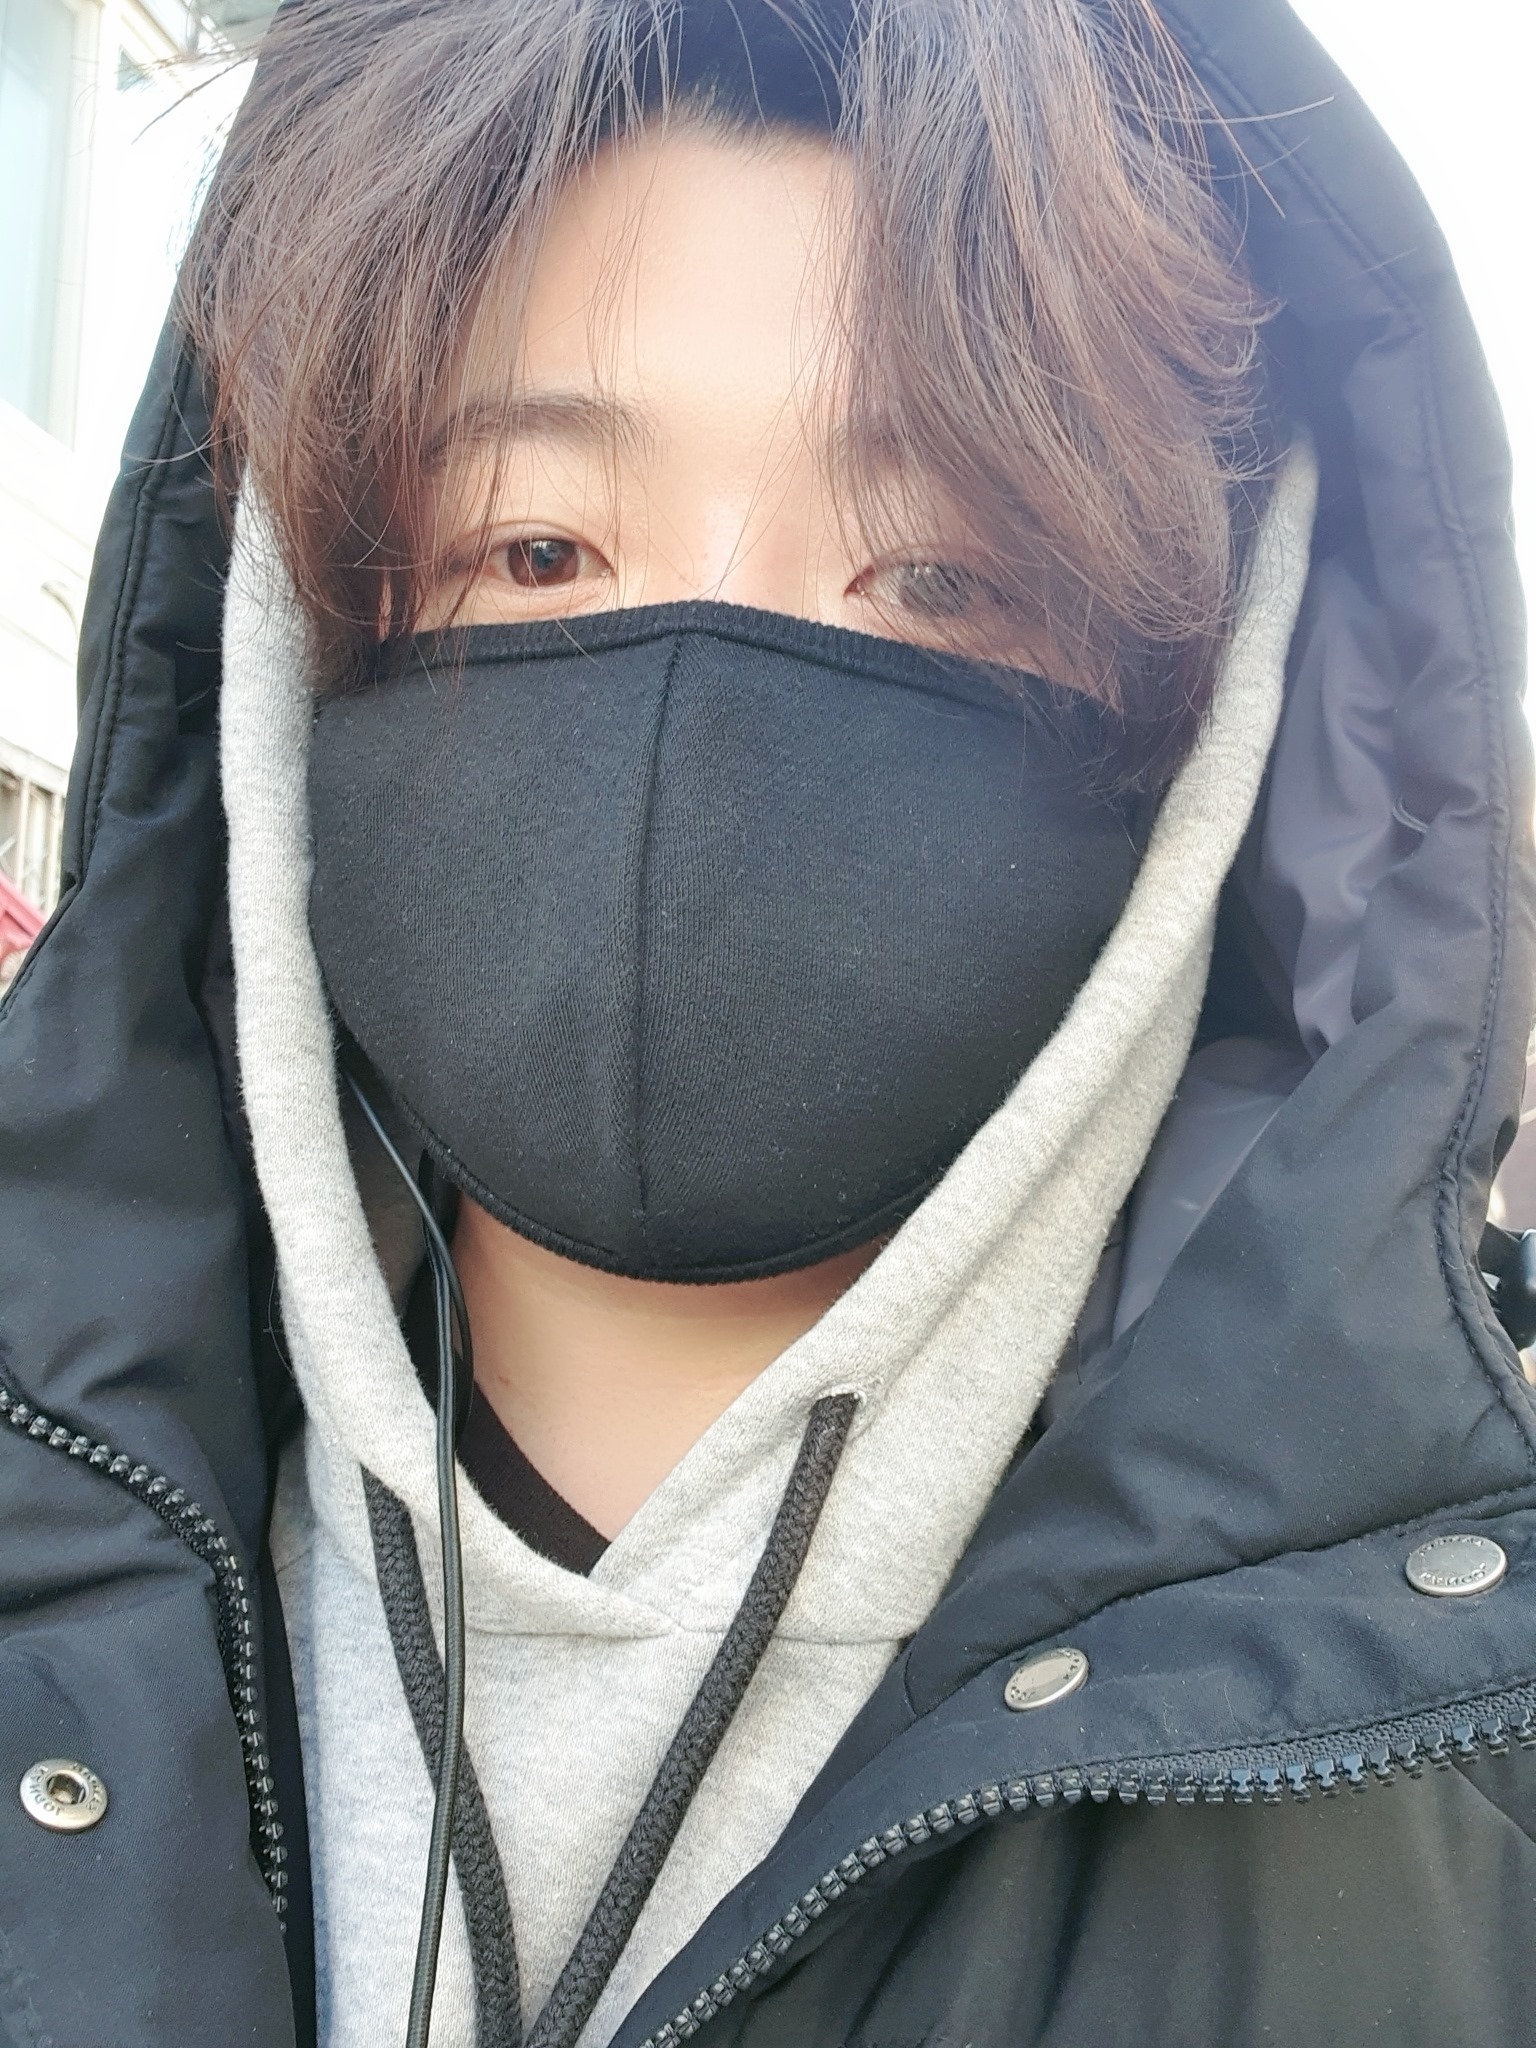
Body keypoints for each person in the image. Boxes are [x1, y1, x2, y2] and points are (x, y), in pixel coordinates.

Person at [1, 0, 1532, 2043]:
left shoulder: (1466, 1793)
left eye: (944, 577)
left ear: (1214, 719)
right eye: (535, 545)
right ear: (292, 639)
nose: (703, 709)